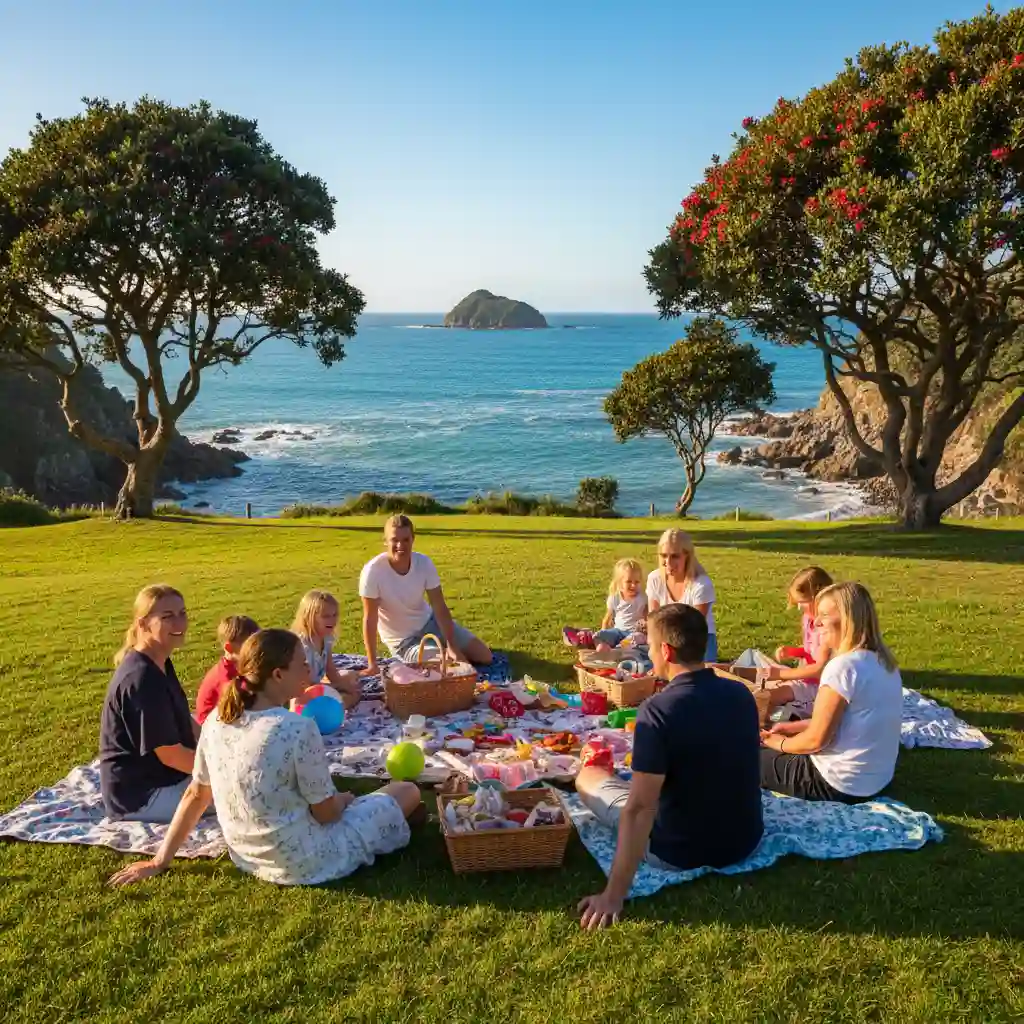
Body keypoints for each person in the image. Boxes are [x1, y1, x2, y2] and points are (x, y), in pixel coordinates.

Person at [107, 628, 421, 888]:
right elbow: (327, 814)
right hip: (309, 860)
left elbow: (196, 794)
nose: (308, 670)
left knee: (380, 801)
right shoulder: (297, 728)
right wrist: (346, 799)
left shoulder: (217, 720)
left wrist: (160, 860)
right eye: (302, 664)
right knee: (406, 791)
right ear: (278, 674)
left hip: (248, 857)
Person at [576, 604, 764, 930]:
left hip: (679, 851)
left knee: (588, 777)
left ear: (665, 650)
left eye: (650, 645)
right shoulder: (740, 693)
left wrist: (613, 895)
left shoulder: (658, 710)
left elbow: (639, 809)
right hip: (744, 840)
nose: (649, 652)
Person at [760, 582, 902, 803]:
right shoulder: (884, 663)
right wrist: (792, 728)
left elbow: (815, 741)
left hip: (837, 783)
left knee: (741, 754)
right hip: (876, 780)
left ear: (848, 619)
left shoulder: (843, 667)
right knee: (783, 728)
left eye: (824, 615)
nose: (816, 622)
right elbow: (847, 721)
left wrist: (777, 743)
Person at [99, 584, 203, 822]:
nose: (180, 623)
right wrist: (224, 771)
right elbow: (171, 755)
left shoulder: (159, 661)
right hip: (141, 797)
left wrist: (220, 747)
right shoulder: (142, 679)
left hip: (167, 778)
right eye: (167, 617)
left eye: (182, 613)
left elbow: (185, 720)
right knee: (246, 791)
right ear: (143, 624)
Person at [359, 514, 492, 673]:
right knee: (452, 667)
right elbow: (370, 618)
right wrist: (372, 664)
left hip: (430, 623)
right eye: (394, 540)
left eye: (406, 540)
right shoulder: (372, 572)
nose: (400, 545)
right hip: (403, 642)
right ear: (386, 541)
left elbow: (439, 606)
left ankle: (444, 648)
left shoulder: (424, 563)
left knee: (485, 656)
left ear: (413, 539)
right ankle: (439, 653)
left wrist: (452, 645)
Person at [760, 566, 834, 710]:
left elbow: (820, 669)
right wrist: (793, 652)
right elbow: (810, 651)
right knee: (766, 696)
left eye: (803, 602)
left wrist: (781, 674)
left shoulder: (828, 628)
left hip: (822, 688)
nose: (799, 607)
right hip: (805, 680)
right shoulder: (808, 619)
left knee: (770, 697)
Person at [645, 528, 718, 662]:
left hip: (697, 640)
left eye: (675, 556)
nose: (668, 562)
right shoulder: (654, 579)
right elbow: (653, 621)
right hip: (665, 638)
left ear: (687, 556)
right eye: (664, 555)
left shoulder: (701, 584)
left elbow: (695, 628)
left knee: (694, 671)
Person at [291, 590, 362, 710]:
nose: (332, 620)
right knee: (346, 698)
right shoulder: (302, 647)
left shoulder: (326, 638)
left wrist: (343, 685)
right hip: (301, 693)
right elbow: (304, 685)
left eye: (335, 615)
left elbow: (331, 670)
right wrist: (335, 688)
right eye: (326, 616)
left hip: (317, 686)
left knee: (351, 677)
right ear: (309, 618)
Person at [562, 558, 647, 651]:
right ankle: (588, 640)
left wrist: (645, 625)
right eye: (629, 582)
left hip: (633, 633)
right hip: (618, 631)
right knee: (600, 635)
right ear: (620, 582)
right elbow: (607, 619)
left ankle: (617, 649)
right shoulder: (615, 598)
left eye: (636, 582)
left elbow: (647, 617)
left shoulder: (643, 598)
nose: (633, 585)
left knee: (638, 637)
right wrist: (603, 634)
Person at [194, 615, 260, 725]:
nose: (257, 650)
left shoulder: (238, 665)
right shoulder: (226, 677)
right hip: (213, 726)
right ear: (229, 648)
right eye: (250, 646)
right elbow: (239, 706)